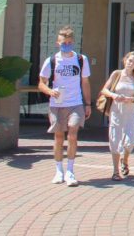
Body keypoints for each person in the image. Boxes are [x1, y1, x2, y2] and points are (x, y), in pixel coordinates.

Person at [37, 26, 91, 186]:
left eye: (69, 42)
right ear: (58, 43)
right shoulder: (52, 60)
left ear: (73, 42)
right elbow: (41, 83)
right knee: (59, 137)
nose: (66, 45)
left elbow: (85, 82)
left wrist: (88, 103)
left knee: (73, 133)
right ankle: (59, 171)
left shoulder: (81, 59)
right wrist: (50, 91)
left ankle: (70, 171)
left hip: (75, 103)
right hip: (57, 104)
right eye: (63, 42)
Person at [100, 51, 134, 180]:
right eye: (129, 60)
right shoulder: (116, 74)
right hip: (116, 111)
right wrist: (115, 96)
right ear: (125, 60)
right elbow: (104, 90)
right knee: (115, 139)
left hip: (130, 112)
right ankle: (115, 171)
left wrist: (133, 99)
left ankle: (124, 160)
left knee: (129, 142)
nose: (131, 63)